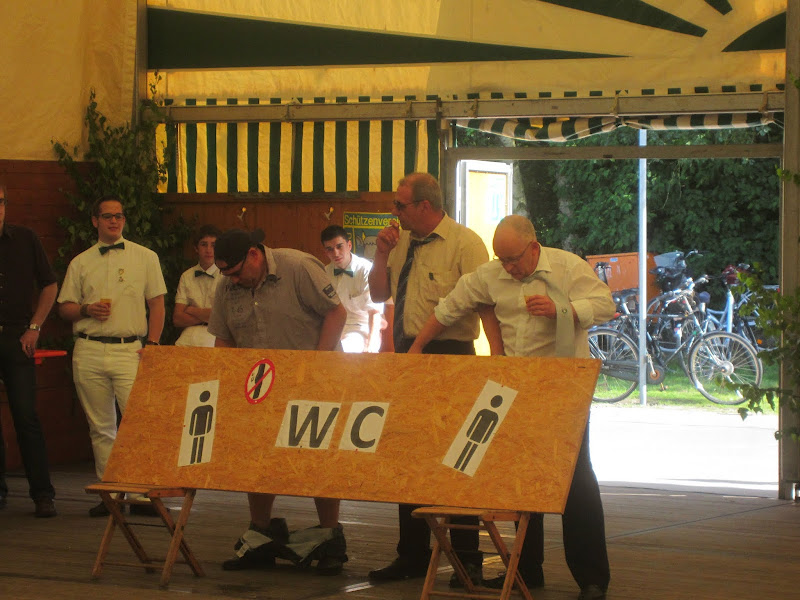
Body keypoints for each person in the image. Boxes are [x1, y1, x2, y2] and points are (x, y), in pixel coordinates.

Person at [408, 214, 615, 600]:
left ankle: (592, 579)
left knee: (575, 481)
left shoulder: (568, 266)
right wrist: (417, 347)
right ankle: (525, 571)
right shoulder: (491, 275)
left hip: (563, 388)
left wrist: (562, 309)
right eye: (501, 259)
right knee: (521, 482)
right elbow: (449, 307)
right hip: (516, 391)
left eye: (514, 259)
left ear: (534, 247)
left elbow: (605, 305)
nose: (508, 268)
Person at [367, 172, 495, 587]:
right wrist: (381, 255)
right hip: (408, 354)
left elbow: (482, 303)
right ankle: (412, 554)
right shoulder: (400, 241)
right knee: (407, 452)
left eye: (399, 205)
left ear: (425, 206)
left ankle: (468, 558)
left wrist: (497, 360)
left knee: (458, 458)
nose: (394, 211)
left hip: (451, 355)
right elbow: (377, 295)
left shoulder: (465, 243)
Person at [208, 228, 349, 576]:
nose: (232, 281)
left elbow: (336, 313)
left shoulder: (298, 267)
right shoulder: (226, 285)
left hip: (312, 377)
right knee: (257, 458)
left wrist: (317, 365)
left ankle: (330, 535)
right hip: (259, 384)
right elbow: (223, 338)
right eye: (227, 275)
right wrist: (225, 384)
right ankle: (261, 534)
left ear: (254, 255)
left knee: (317, 458)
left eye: (237, 272)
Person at [57, 195, 167, 517]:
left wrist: (154, 345)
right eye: (108, 216)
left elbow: (157, 303)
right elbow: (64, 308)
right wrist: (86, 310)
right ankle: (111, 494)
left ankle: (142, 494)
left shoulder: (145, 257)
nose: (114, 221)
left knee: (137, 424)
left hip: (130, 349)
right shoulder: (80, 262)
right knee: (101, 427)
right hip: (89, 348)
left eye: (119, 216)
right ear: (95, 221)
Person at [0, 182, 58, 518]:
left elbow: (49, 284)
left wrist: (35, 327)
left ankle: (43, 494)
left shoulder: (25, 238)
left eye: (0, 202)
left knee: (26, 416)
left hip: (18, 337)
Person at [320, 225, 384, 353]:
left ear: (349, 245)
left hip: (361, 328)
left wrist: (371, 346)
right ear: (325, 252)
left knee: (344, 349)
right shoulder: (324, 273)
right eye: (330, 249)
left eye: (339, 246)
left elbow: (375, 313)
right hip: (333, 327)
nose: (335, 253)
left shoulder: (367, 270)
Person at [173, 224, 222, 347]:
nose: (209, 250)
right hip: (188, 335)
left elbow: (223, 318)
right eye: (204, 244)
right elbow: (177, 319)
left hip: (215, 335)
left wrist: (191, 310)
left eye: (213, 245)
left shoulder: (226, 277)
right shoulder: (186, 276)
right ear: (196, 248)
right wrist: (207, 315)